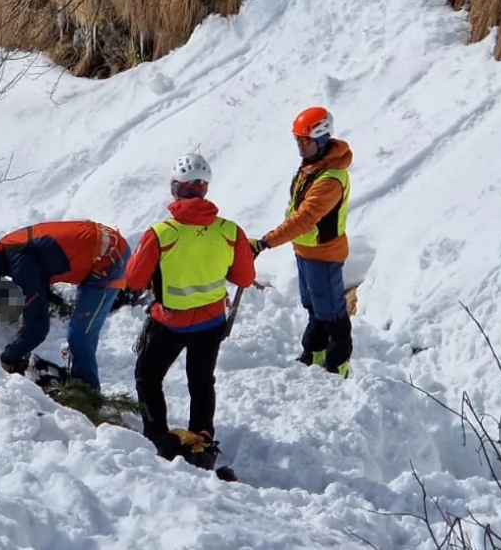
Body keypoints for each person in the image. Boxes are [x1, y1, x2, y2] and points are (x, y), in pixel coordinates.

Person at [125, 154, 256, 447]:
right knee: (201, 381)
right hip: (211, 323)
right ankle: (203, 434)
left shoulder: (161, 234)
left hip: (169, 322)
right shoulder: (230, 231)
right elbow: (244, 279)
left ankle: (157, 434)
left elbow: (133, 280)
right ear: (204, 189)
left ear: (175, 189)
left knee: (148, 377)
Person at [0, 220, 131, 391]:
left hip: (109, 259)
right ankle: (81, 378)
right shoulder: (9, 245)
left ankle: (87, 393)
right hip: (104, 243)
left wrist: (10, 356)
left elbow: (38, 329)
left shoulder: (21, 265)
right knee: (81, 330)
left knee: (80, 333)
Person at [250, 107, 354, 378]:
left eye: (304, 140)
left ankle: (337, 365)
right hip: (305, 251)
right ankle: (313, 353)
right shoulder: (312, 167)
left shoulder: (330, 180)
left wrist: (264, 243)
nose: (299, 145)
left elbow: (304, 219)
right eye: (297, 139)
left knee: (332, 313)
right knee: (314, 306)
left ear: (320, 139)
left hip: (325, 254)